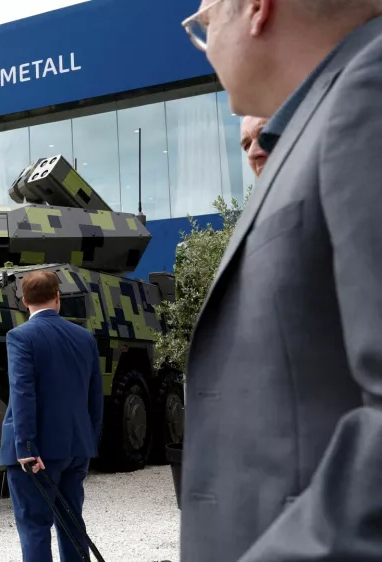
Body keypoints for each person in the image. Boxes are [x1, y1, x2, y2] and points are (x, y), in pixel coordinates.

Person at [180, 1, 382, 560]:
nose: (205, 46)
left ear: (256, 9)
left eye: (205, 24)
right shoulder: (321, 118)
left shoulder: (367, 95)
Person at [0, 269, 102, 562]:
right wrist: (89, 441)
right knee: (72, 522)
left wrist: (26, 447)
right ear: (58, 297)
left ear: (24, 301)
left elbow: (23, 393)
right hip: (76, 447)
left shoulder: (20, 337)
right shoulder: (84, 337)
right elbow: (95, 395)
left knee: (35, 527)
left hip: (37, 452)